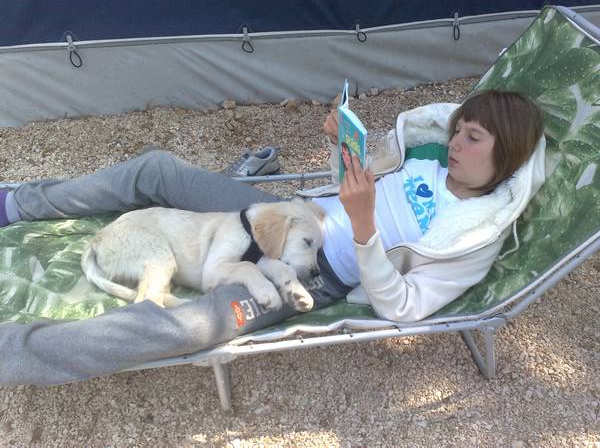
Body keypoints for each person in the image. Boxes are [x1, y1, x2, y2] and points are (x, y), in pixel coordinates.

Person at [0, 89, 545, 385]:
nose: (454, 143)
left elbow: (404, 307)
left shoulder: (474, 237)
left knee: (184, 326)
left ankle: (14, 351)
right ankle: (17, 203)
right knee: (157, 169)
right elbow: (350, 184)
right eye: (457, 130)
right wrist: (342, 149)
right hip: (280, 215)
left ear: (507, 156)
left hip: (308, 275)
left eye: (473, 138)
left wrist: (364, 228)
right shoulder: (423, 159)